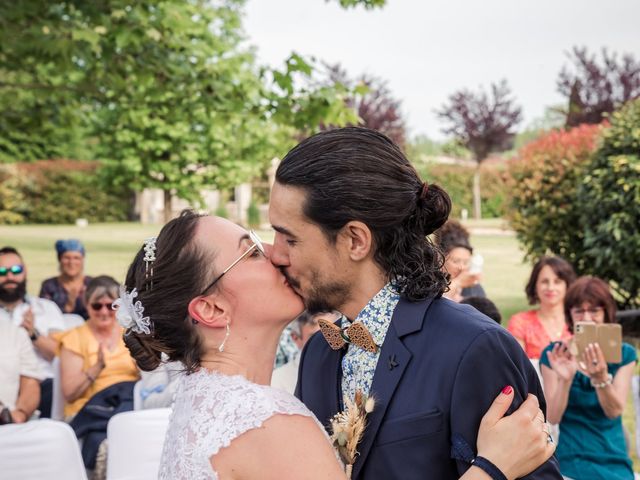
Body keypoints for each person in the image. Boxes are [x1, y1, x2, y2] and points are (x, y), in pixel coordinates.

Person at [120, 211, 554, 480]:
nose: (274, 252)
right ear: (211, 310)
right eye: (249, 252)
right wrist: (491, 470)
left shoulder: (203, 408)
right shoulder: (268, 425)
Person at [269, 126, 561, 479]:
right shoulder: (318, 353)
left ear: (356, 240)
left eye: (289, 238)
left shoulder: (474, 347)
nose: (275, 253)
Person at [540, 276, 637, 480]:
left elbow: (614, 411)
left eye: (594, 310)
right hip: (571, 457)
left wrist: (600, 378)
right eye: (579, 310)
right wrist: (565, 380)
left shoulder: (624, 355)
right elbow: (553, 417)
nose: (586, 317)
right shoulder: (555, 354)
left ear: (606, 313)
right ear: (570, 315)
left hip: (613, 455)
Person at [59, 275, 139, 419]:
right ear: (86, 304)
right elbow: (69, 394)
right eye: (97, 306)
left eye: (110, 306)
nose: (103, 312)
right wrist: (97, 367)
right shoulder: (74, 338)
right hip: (90, 412)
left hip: (127, 407)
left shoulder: (130, 334)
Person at [0, 246, 65, 418]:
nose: (10, 277)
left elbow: (61, 355)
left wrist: (34, 335)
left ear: (25, 271)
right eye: (2, 271)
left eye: (16, 270)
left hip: (44, 385)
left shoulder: (45, 308)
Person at [507, 256, 576, 359]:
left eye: (557, 282)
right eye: (544, 281)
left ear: (567, 285)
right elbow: (516, 366)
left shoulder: (578, 321)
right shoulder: (520, 323)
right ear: (535, 285)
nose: (551, 288)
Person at [271, 310, 325, 394]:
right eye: (317, 337)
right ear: (296, 338)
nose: (328, 342)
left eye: (333, 334)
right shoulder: (278, 382)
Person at [0, 317, 43, 423]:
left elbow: (30, 383)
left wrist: (21, 413)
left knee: (58, 434)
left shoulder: (15, 333)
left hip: (8, 424)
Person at [40, 239, 92, 320]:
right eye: (67, 258)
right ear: (59, 260)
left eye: (76, 258)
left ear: (82, 260)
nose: (71, 262)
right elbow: (44, 317)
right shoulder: (49, 285)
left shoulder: (92, 284)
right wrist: (68, 307)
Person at [434, 220, 485, 301]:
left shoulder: (473, 288)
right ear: (440, 258)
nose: (461, 267)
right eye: (456, 261)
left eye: (466, 262)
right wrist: (458, 283)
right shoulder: (430, 285)